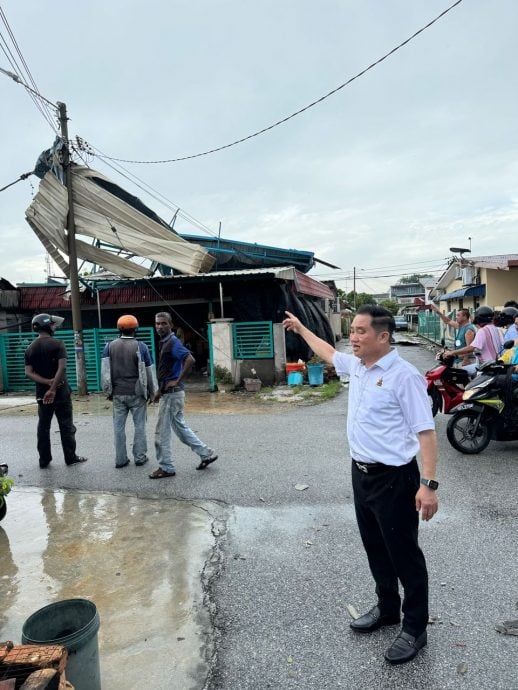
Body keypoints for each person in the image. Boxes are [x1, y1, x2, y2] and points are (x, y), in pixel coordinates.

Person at [283, 305, 438, 665]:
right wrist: (303, 329)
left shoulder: (404, 376)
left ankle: (415, 627)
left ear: (383, 336)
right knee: (375, 546)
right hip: (362, 473)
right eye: (352, 330)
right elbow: (328, 352)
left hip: (395, 478)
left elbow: (426, 433)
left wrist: (428, 484)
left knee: (404, 554)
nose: (353, 337)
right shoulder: (359, 366)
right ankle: (388, 609)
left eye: (361, 331)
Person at [149, 312, 217, 479]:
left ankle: (166, 467)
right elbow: (166, 370)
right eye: (157, 324)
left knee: (161, 432)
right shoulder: (164, 342)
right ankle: (206, 453)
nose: (160, 327)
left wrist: (177, 380)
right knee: (180, 429)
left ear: (171, 325)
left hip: (173, 394)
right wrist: (159, 391)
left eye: (163, 323)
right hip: (170, 393)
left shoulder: (172, 342)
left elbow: (190, 359)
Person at [24, 313, 88, 468]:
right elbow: (62, 367)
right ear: (47, 326)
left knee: (43, 426)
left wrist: (46, 383)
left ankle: (44, 460)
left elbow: (28, 372)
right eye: (52, 325)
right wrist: (52, 388)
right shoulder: (58, 343)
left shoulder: (30, 348)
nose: (54, 327)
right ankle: (70, 458)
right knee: (66, 425)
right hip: (60, 392)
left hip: (42, 393)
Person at [101, 315, 158, 468]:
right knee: (140, 426)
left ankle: (120, 460)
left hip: (118, 394)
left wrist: (108, 392)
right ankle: (140, 457)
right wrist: (153, 393)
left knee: (118, 428)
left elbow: (105, 371)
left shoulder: (109, 346)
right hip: (137, 393)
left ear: (119, 329)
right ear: (136, 329)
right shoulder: (141, 346)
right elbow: (149, 371)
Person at [429, 304, 477, 371]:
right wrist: (438, 312)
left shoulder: (469, 330)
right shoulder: (461, 326)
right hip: (458, 360)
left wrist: (466, 360)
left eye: (458, 315)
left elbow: (469, 348)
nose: (456, 317)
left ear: (465, 317)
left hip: (465, 362)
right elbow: (448, 321)